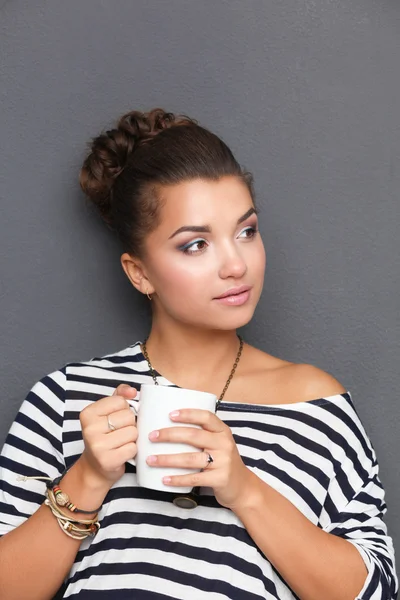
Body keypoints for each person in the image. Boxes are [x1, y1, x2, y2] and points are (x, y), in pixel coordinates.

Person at [0, 108, 397, 600]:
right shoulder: (65, 399)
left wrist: (244, 489)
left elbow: (376, 591)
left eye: (246, 231)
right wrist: (87, 478)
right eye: (195, 245)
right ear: (139, 272)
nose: (236, 264)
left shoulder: (315, 407)